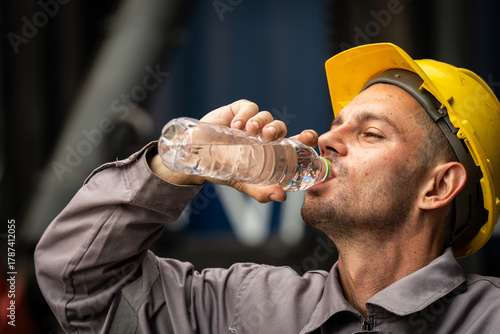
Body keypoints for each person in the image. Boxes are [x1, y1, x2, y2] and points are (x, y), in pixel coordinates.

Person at [35, 43, 500, 333]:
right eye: (335, 125)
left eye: (370, 134)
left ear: (438, 187)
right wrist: (179, 164)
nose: (325, 139)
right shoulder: (244, 306)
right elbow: (80, 285)